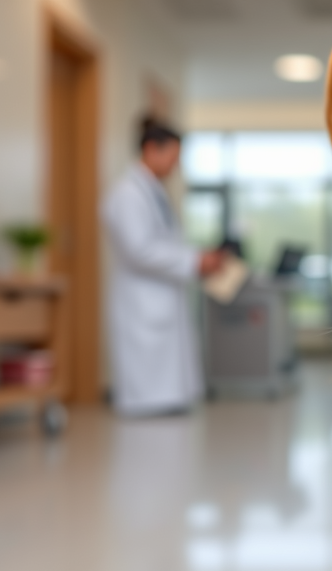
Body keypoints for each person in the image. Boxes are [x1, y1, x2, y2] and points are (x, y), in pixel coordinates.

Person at [101, 116, 225, 416]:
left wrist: (197, 256)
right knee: (146, 378)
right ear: (150, 150)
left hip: (160, 294)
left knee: (164, 377)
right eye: (172, 157)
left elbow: (165, 242)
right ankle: (147, 404)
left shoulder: (153, 192)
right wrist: (193, 261)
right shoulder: (127, 194)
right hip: (141, 298)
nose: (175, 165)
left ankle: (163, 401)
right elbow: (139, 250)